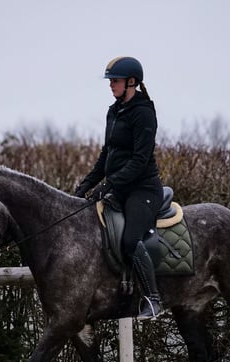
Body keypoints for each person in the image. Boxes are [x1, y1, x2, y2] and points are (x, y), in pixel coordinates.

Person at [74, 56, 165, 320]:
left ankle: (152, 298)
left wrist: (110, 184)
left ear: (132, 82)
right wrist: (85, 186)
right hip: (119, 188)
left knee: (129, 241)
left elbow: (139, 160)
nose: (111, 85)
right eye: (110, 81)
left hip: (143, 189)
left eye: (115, 81)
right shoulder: (113, 111)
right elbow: (107, 155)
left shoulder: (144, 113)